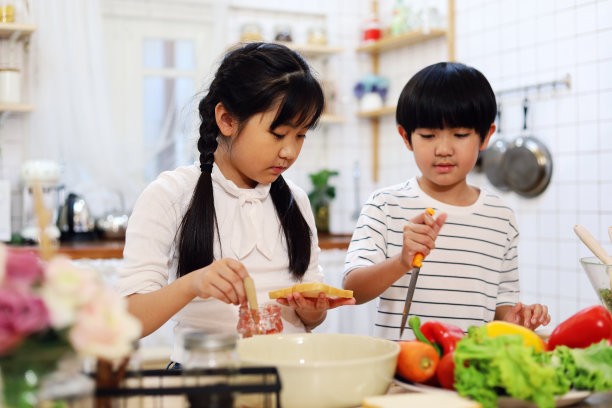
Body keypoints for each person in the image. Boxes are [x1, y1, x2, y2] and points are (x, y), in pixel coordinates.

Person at [115, 42, 355, 365]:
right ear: (227, 120)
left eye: (300, 136)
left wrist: (312, 313)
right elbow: (127, 320)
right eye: (278, 133)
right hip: (204, 381)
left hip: (287, 379)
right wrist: (193, 283)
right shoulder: (170, 195)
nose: (289, 152)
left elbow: (311, 319)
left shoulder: (295, 201)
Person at [342, 62, 550, 341]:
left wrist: (516, 319)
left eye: (461, 135)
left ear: (486, 136)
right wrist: (402, 260)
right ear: (406, 137)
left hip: (469, 368)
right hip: (402, 369)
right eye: (428, 136)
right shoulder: (385, 205)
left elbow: (503, 304)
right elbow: (352, 290)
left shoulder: (501, 217)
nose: (443, 149)